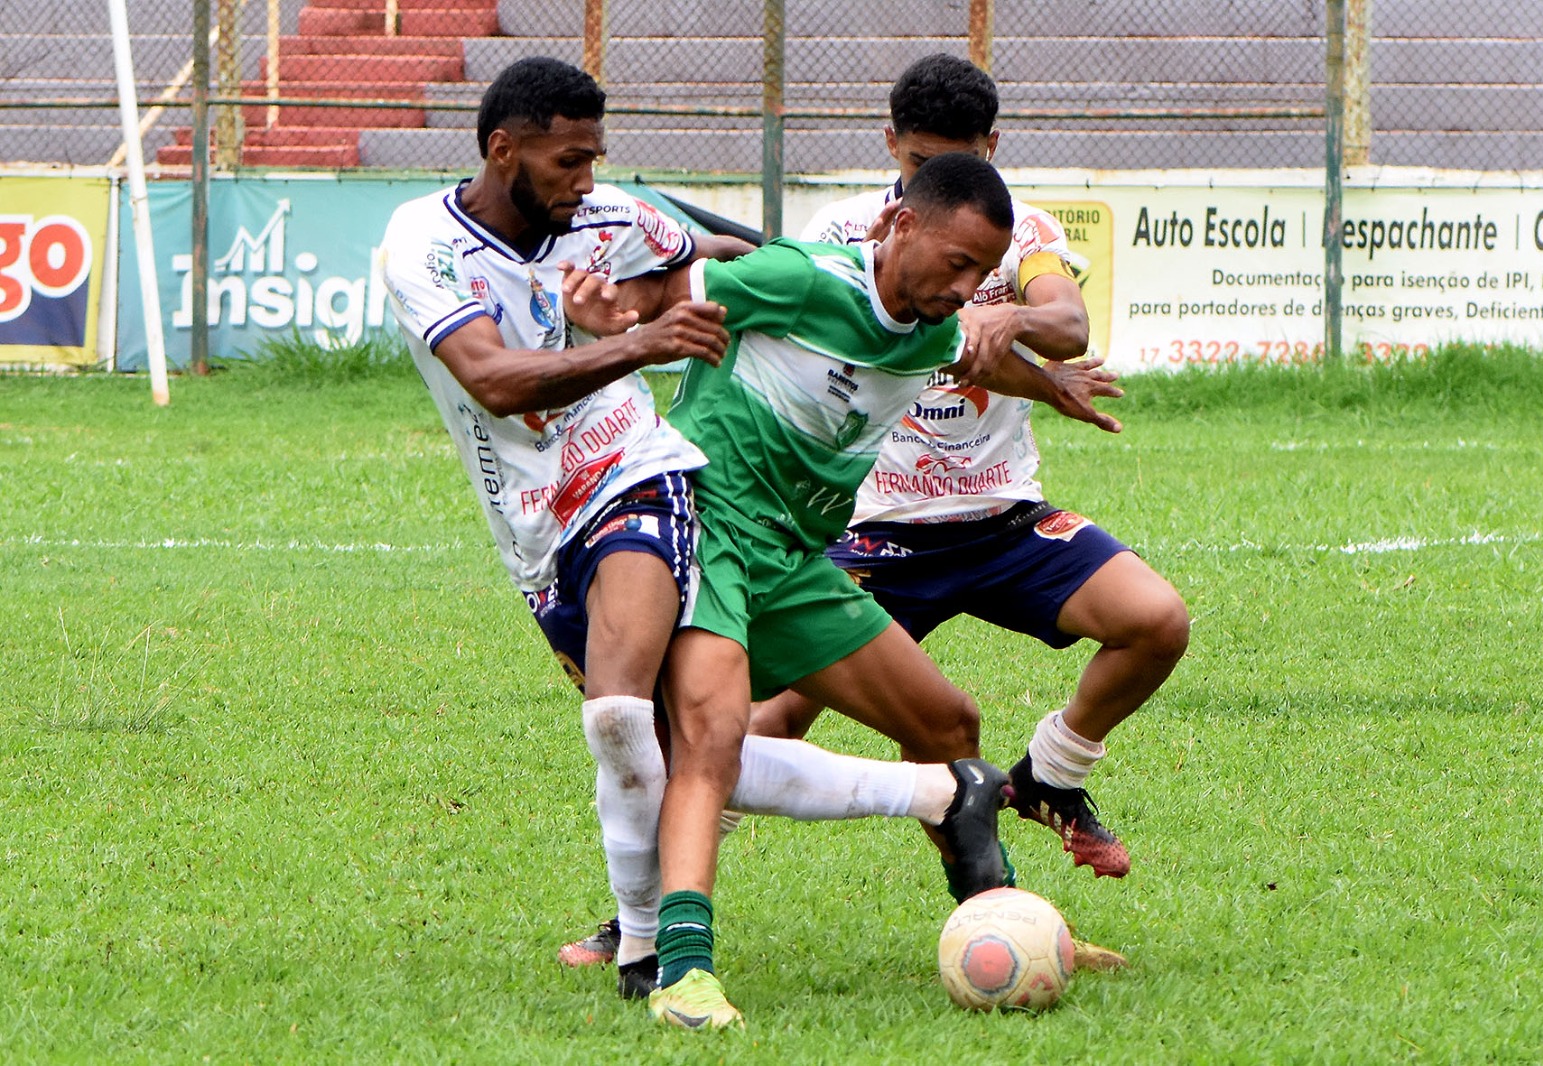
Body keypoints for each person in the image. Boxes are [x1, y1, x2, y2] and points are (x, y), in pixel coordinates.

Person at [380, 56, 1010, 1010]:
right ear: (503, 148)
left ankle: (981, 924)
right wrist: (625, 327)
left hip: (676, 495)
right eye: (569, 161)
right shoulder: (425, 240)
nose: (587, 180)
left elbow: (697, 253)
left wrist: (1054, 369)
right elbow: (509, 376)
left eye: (596, 159)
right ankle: (657, 933)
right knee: (677, 742)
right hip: (557, 520)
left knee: (923, 726)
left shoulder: (915, 318)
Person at [634, 152, 1125, 1029]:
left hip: (795, 558)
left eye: (985, 272)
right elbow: (664, 294)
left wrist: (1052, 388)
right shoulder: (800, 279)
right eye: (957, 263)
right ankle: (680, 970)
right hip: (708, 528)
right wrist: (588, 332)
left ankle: (1004, 919)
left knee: (946, 725)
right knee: (713, 734)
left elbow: (971, 360)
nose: (968, 287)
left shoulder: (935, 326)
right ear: (900, 226)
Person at [757, 52, 1191, 884]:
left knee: (1156, 620)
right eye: (925, 164)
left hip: (1002, 520)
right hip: (875, 533)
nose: (951, 179)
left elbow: (1065, 321)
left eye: (968, 159)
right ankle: (648, 915)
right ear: (891, 146)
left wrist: (1012, 312)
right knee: (766, 720)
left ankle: (1051, 777)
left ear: (994, 145)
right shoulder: (843, 233)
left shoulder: (1017, 228)